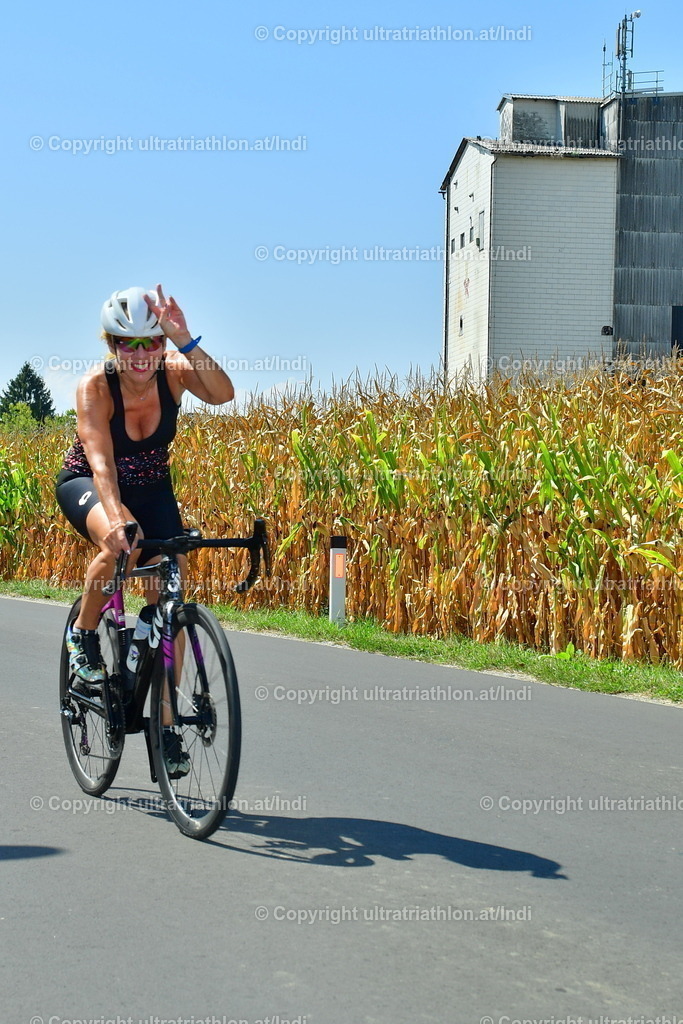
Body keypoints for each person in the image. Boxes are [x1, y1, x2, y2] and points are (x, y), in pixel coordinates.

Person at [55, 284, 234, 775]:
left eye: (150, 342)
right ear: (111, 345)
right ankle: (83, 634)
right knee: (121, 548)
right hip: (90, 481)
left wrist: (184, 339)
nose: (140, 354)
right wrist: (115, 519)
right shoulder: (95, 387)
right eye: (126, 343)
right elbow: (101, 462)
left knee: (169, 594)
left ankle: (166, 726)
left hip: (153, 488)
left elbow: (223, 394)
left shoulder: (175, 371)